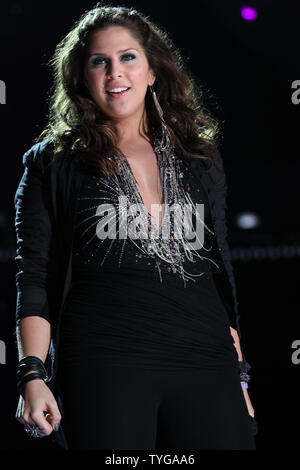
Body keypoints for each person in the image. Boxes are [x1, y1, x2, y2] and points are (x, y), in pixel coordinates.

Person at [14, 3, 256, 450]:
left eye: (127, 57)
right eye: (99, 61)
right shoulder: (52, 163)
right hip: (106, 362)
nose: (114, 73)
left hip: (206, 360)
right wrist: (31, 373)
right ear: (82, 77)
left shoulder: (200, 158)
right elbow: (34, 275)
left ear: (152, 71)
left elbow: (217, 272)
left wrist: (239, 376)